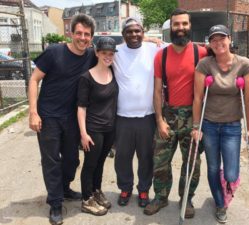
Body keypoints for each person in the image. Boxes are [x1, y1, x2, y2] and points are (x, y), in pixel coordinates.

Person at [28, 14, 97, 225]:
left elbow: (117, 51)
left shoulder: (92, 56)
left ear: (91, 37)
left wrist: (151, 40)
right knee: (51, 161)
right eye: (78, 33)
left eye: (86, 34)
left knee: (71, 160)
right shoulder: (53, 52)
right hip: (48, 117)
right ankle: (56, 203)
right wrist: (33, 112)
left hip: (72, 119)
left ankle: (65, 187)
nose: (82, 38)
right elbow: (34, 79)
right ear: (71, 33)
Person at [144, 8, 207, 218]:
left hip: (193, 115)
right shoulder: (161, 56)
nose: (180, 28)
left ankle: (186, 198)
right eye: (176, 24)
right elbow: (156, 91)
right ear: (171, 28)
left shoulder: (202, 53)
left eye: (184, 24)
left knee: (192, 162)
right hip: (168, 114)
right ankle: (160, 197)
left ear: (190, 26)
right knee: (160, 160)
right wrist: (160, 120)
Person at [192, 24, 249, 223]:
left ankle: (225, 182)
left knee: (231, 173)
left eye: (222, 38)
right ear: (209, 44)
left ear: (229, 39)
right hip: (209, 125)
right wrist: (196, 127)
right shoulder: (204, 64)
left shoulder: (245, 65)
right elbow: (197, 98)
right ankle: (220, 204)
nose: (218, 43)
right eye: (214, 40)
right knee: (212, 167)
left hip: (232, 127)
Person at [113, 17, 167, 208]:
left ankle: (143, 189)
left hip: (147, 116)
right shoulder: (116, 52)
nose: (134, 34)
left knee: (146, 157)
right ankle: (125, 188)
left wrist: (152, 40)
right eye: (130, 31)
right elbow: (95, 53)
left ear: (143, 33)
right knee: (122, 157)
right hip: (122, 117)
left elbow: (179, 48)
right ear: (123, 35)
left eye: (138, 31)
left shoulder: (155, 49)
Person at [77, 37, 118, 216]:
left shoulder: (113, 73)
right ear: (97, 53)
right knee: (90, 164)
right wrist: (83, 134)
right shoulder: (86, 77)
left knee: (101, 163)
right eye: (104, 53)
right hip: (93, 129)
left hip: (110, 128)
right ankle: (86, 200)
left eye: (111, 53)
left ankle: (96, 191)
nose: (108, 56)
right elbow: (81, 108)